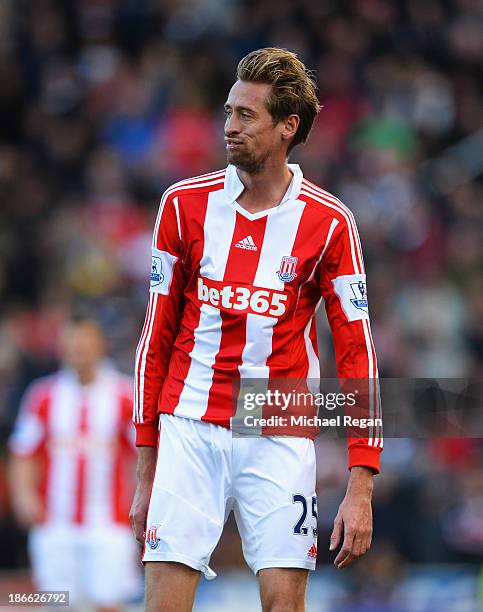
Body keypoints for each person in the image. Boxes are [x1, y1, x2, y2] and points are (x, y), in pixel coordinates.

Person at [130, 48, 383, 612]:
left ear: (288, 126)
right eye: (228, 112)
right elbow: (156, 336)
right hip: (190, 421)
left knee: (283, 605)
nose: (228, 127)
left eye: (246, 115)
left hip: (277, 419)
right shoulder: (183, 205)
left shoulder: (330, 222)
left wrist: (361, 483)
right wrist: (146, 464)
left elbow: (357, 349)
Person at [8, 315, 141, 611]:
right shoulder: (42, 395)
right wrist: (24, 496)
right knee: (58, 603)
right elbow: (23, 452)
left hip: (109, 523)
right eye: (71, 340)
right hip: (55, 523)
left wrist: (141, 501)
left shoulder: (125, 395)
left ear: (100, 344)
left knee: (107, 604)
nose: (77, 346)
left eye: (84, 339)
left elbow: (144, 454)